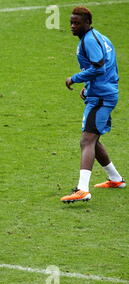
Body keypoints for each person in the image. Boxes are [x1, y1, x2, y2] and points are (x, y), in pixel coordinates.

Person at [61, 6, 125, 203]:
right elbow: (109, 67)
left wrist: (76, 78)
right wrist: (89, 86)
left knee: (86, 140)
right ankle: (115, 179)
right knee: (93, 139)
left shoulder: (90, 40)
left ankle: (82, 190)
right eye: (71, 22)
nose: (72, 26)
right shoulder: (100, 38)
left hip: (101, 97)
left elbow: (99, 67)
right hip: (101, 92)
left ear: (87, 23)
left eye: (77, 23)